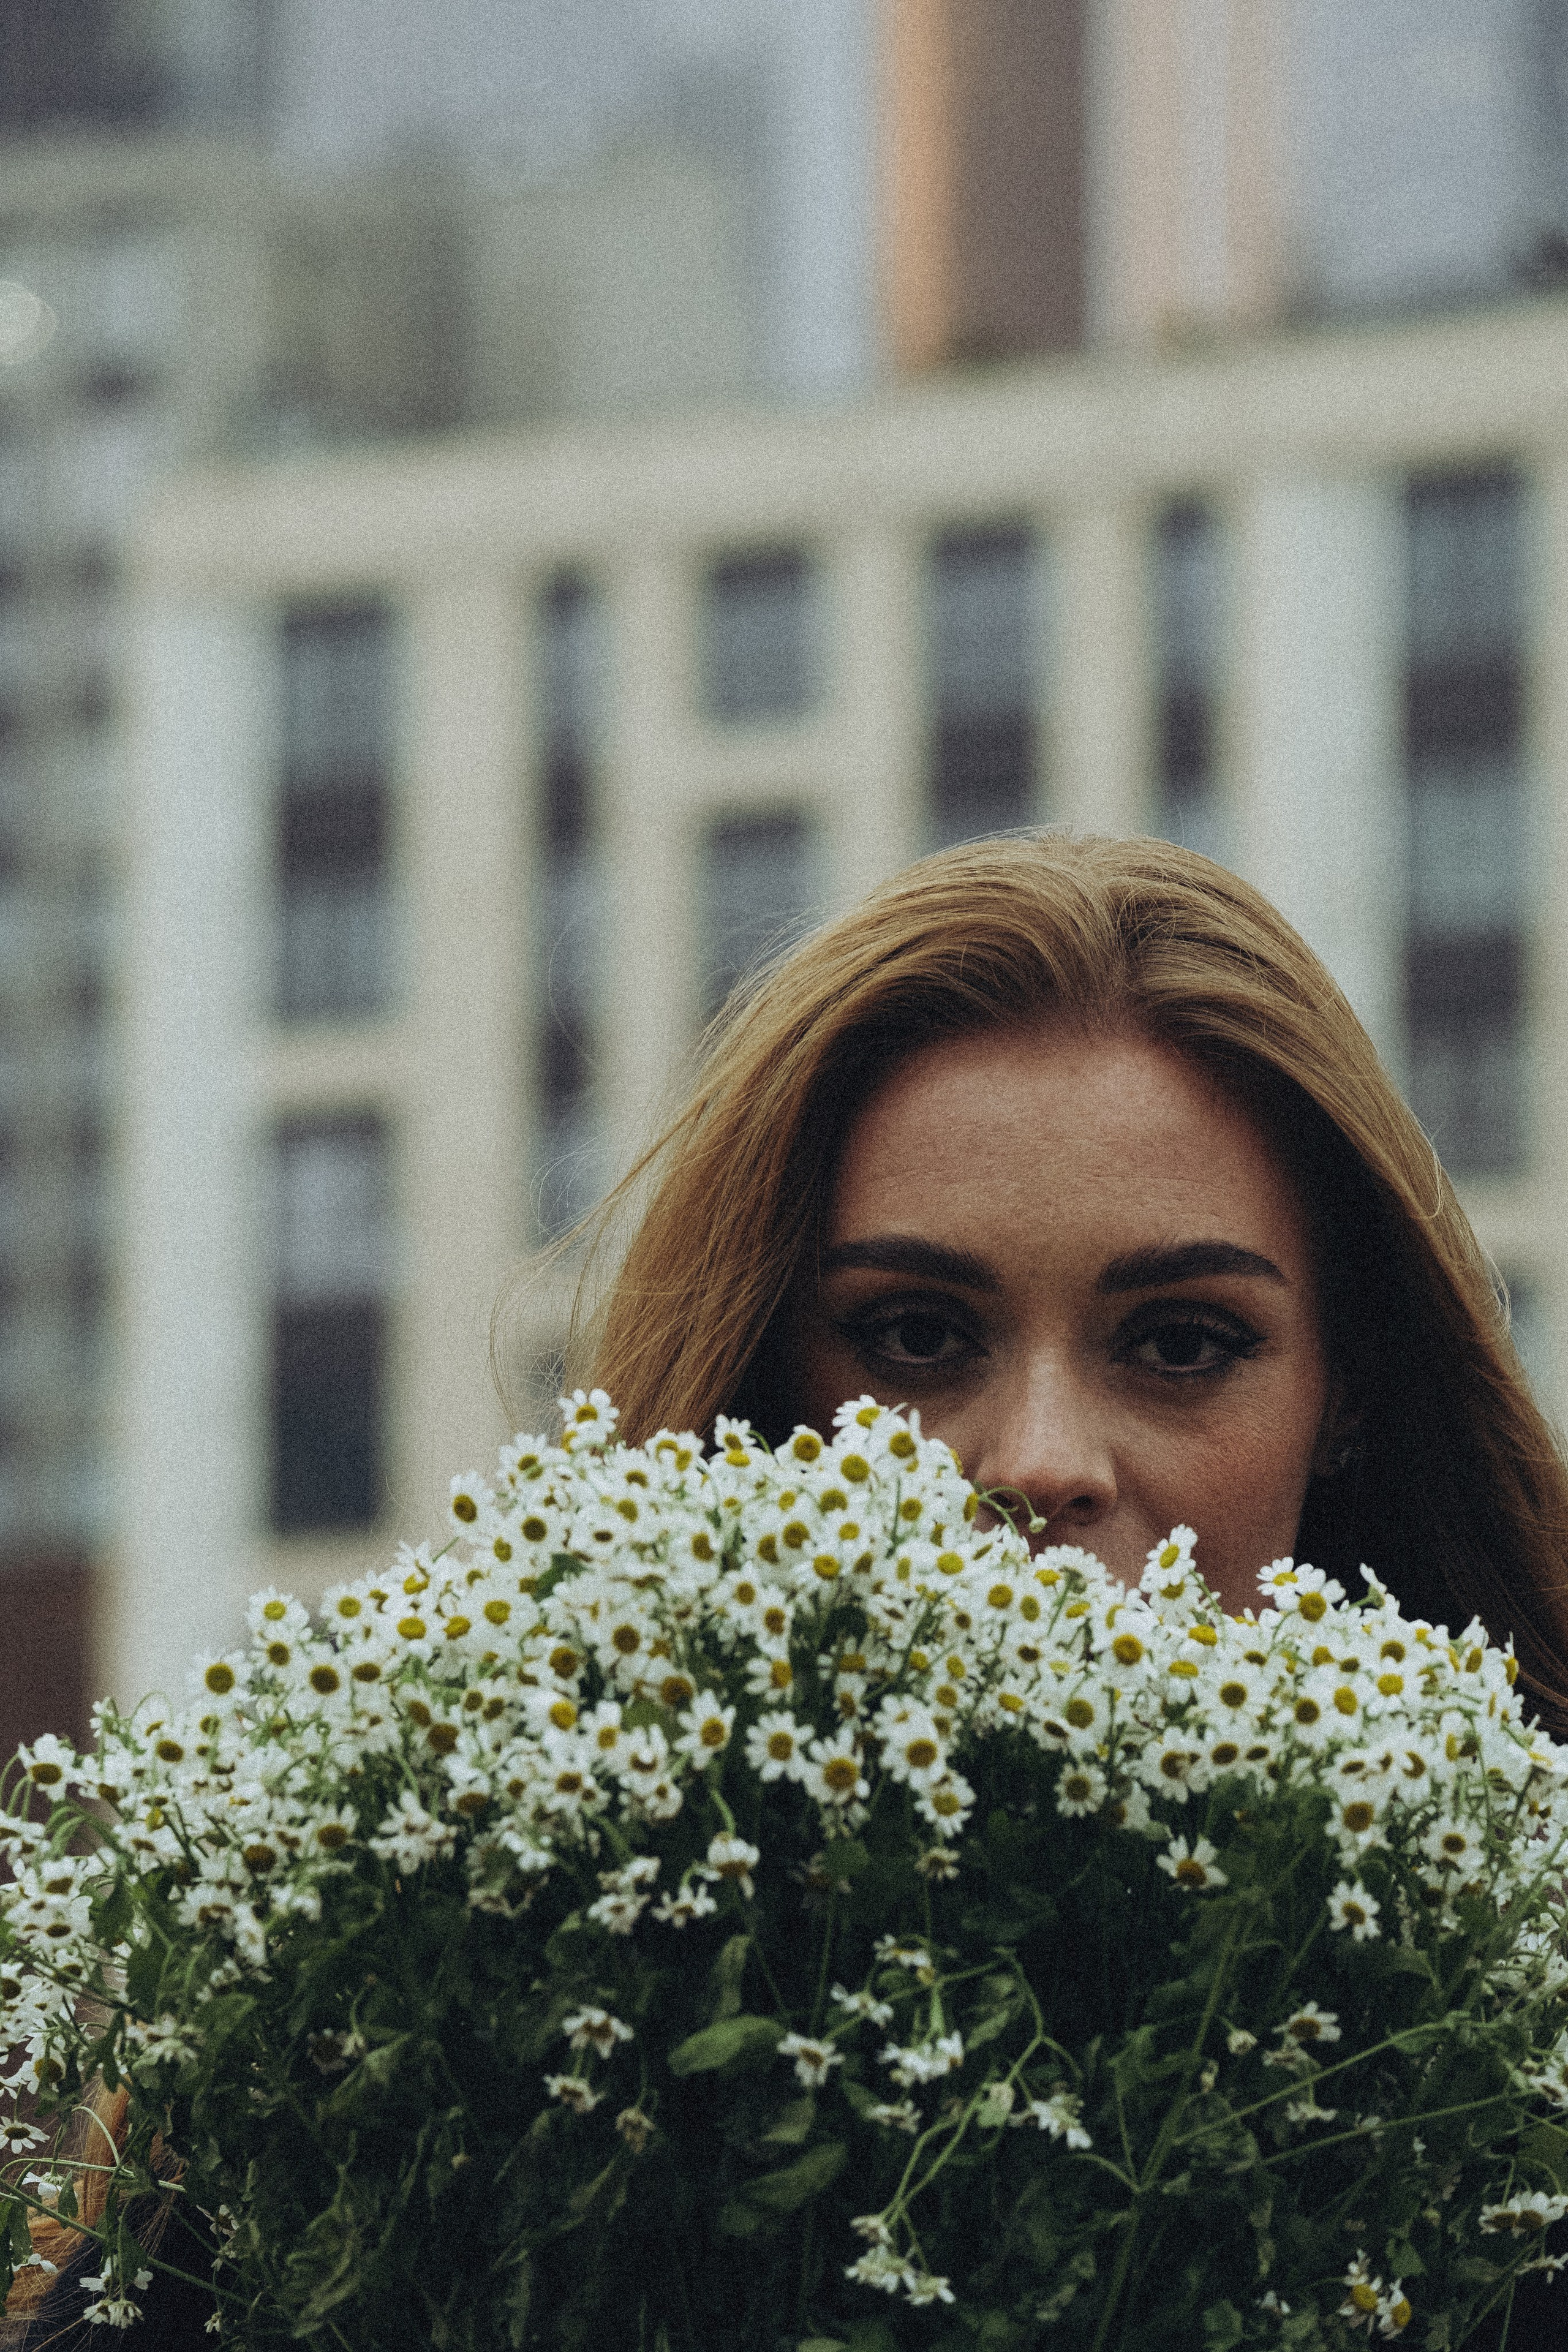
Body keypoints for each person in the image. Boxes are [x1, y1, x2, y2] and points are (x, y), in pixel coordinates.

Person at [12, 831, 1566, 2347]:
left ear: (1346, 1394)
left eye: (1178, 1343)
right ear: (757, 1385)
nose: (1033, 1464)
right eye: (909, 1336)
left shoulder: (1501, 2081)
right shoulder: (398, 2025)